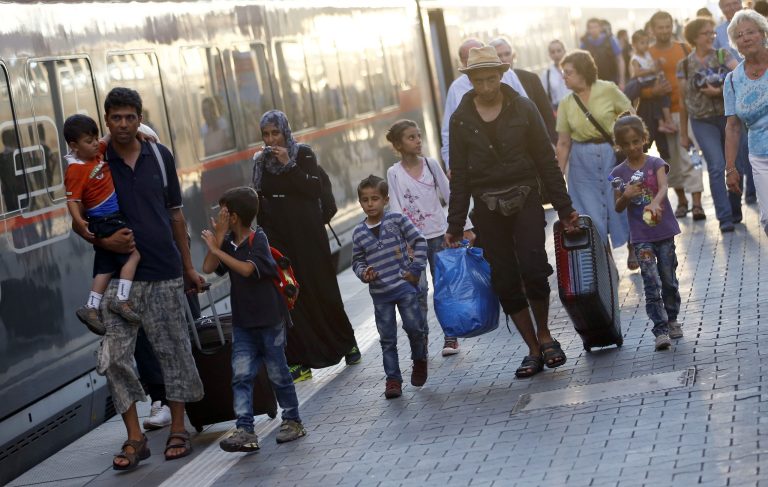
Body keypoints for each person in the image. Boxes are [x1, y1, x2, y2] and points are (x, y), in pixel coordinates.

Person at [69, 87, 205, 470]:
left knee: (172, 350)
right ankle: (135, 437)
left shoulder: (159, 156)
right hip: (117, 276)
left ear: (139, 117)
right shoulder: (96, 159)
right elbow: (77, 214)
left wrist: (188, 267)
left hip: (163, 270)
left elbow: (176, 214)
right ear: (106, 119)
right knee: (113, 357)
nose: (124, 124)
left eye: (131, 117)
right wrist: (100, 238)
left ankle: (179, 427)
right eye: (116, 118)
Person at [446, 46, 579, 378]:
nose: (487, 86)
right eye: (479, 80)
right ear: (471, 80)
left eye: (491, 78)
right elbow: (460, 175)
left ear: (502, 75)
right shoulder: (461, 119)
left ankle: (546, 335)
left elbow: (546, 163)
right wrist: (455, 223)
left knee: (534, 266)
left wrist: (565, 209)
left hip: (525, 197)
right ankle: (533, 348)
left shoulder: (523, 108)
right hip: (487, 207)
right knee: (504, 278)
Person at [252, 110, 360, 382]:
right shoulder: (260, 162)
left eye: (275, 133)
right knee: (291, 295)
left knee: (323, 289)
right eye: (266, 134)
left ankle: (347, 343)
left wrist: (289, 164)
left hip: (309, 235)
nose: (270, 139)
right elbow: (258, 198)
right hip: (279, 237)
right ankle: (301, 360)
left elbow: (313, 190)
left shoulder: (303, 154)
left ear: (285, 132)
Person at [201, 187, 306, 451]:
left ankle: (293, 421)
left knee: (278, 373)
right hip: (244, 323)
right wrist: (219, 239)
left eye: (223, 212)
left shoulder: (258, 238)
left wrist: (218, 247)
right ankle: (246, 430)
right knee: (241, 376)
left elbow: (248, 270)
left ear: (234, 216)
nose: (219, 216)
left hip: (270, 319)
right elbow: (208, 268)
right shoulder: (226, 242)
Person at [384, 119, 474, 357]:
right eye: (411, 137)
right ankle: (421, 340)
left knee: (444, 288)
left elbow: (450, 195)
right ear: (399, 145)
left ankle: (451, 337)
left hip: (439, 237)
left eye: (419, 136)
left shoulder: (431, 165)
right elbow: (395, 207)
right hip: (414, 243)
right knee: (418, 291)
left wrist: (464, 227)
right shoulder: (393, 173)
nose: (418, 141)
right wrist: (402, 242)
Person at [63, 114, 142, 334]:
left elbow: (107, 138)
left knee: (106, 266)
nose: (95, 143)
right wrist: (80, 221)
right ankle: (121, 300)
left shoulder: (95, 153)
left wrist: (139, 131)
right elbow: (73, 200)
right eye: (88, 141)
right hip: (105, 219)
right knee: (133, 254)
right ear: (74, 146)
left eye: (94, 138)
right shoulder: (76, 169)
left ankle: (91, 306)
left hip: (108, 219)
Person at [609, 115, 682, 351]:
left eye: (636, 141)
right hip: (641, 238)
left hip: (664, 231)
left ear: (644, 139)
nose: (632, 147)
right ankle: (660, 330)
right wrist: (626, 195)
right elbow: (617, 207)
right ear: (619, 145)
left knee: (668, 279)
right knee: (650, 281)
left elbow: (663, 187)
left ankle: (672, 319)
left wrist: (656, 203)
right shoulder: (618, 174)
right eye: (626, 144)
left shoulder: (655, 163)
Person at [352, 175, 428, 399]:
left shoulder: (397, 220)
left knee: (415, 327)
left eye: (375, 199)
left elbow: (420, 241)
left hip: (404, 287)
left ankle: (419, 359)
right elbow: (357, 261)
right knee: (387, 339)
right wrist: (364, 273)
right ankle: (393, 379)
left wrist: (415, 270)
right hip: (380, 294)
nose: (370, 204)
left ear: (385, 200)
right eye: (365, 200)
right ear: (360, 203)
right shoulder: (358, 233)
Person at [555, 50, 632, 262]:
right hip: (581, 162)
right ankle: (606, 261)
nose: (564, 77)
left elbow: (629, 115)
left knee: (621, 201)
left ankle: (632, 244)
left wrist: (628, 145)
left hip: (611, 155)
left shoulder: (607, 89)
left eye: (568, 72)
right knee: (589, 212)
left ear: (582, 72)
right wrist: (556, 176)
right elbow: (563, 142)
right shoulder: (566, 103)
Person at [677, 16, 748, 233]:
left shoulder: (722, 54)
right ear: (694, 37)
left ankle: (735, 209)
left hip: (730, 118)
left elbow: (739, 75)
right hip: (702, 121)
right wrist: (683, 132)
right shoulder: (684, 65)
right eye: (705, 33)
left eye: (712, 33)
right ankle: (724, 218)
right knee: (716, 166)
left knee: (736, 164)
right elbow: (682, 101)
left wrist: (719, 90)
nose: (710, 37)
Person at [441, 39, 551, 170]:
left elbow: (529, 112)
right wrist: (450, 165)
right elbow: (449, 132)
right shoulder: (456, 89)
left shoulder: (510, 77)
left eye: (491, 80)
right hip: (481, 169)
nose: (486, 88)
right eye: (468, 56)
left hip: (519, 163)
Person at [645, 11, 707, 220]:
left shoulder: (683, 48)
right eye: (659, 27)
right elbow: (639, 88)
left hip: (687, 111)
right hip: (662, 117)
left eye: (667, 26)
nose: (664, 30)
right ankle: (681, 201)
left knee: (692, 155)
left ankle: (697, 203)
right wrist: (653, 92)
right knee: (670, 160)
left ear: (672, 26)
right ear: (653, 29)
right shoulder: (647, 53)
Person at [725, 10, 768, 235]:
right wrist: (730, 168)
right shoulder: (733, 80)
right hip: (760, 156)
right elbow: (732, 127)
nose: (746, 38)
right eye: (739, 35)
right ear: (736, 44)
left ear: (763, 34)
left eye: (750, 32)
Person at [489, 37, 558, 143]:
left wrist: (554, 141)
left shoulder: (530, 78)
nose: (504, 59)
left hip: (536, 139)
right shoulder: (488, 85)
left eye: (507, 54)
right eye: (499, 55)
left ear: (513, 55)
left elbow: (546, 112)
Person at [629, 30, 676, 134]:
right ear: (634, 45)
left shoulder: (646, 54)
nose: (645, 45)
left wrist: (658, 62)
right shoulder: (635, 59)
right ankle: (667, 121)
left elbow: (651, 64)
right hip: (646, 82)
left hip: (653, 79)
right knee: (662, 98)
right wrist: (651, 71)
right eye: (642, 43)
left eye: (647, 42)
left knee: (660, 100)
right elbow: (637, 73)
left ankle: (662, 123)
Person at [580, 18, 626, 88]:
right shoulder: (584, 44)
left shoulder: (611, 40)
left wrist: (622, 81)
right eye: (591, 27)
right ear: (588, 30)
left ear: (600, 28)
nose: (593, 30)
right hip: (593, 83)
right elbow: (580, 64)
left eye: (595, 27)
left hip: (611, 80)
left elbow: (620, 60)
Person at [540, 40, 570, 113]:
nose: (556, 54)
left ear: (565, 51)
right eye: (553, 52)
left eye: (559, 51)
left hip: (576, 106)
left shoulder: (574, 69)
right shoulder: (546, 74)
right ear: (549, 55)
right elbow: (544, 96)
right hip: (558, 111)